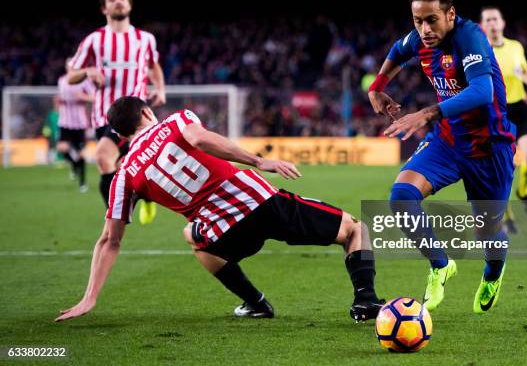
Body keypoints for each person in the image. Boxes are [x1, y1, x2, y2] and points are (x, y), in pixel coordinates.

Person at [55, 97, 383, 323]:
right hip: (261, 203)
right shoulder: (176, 121)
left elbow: (109, 241)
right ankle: (365, 301)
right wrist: (258, 160)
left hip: (223, 231)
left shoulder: (123, 175)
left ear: (120, 134)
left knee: (192, 235)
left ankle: (256, 304)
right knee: (354, 229)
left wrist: (90, 297)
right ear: (145, 114)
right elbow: (200, 139)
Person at [368, 0, 515, 314]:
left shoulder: (469, 37)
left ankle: (493, 273)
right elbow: (397, 50)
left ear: (450, 14)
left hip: (490, 147)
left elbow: (482, 91)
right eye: (417, 20)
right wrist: (377, 87)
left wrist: (426, 113)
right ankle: (440, 264)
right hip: (449, 139)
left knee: (488, 233)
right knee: (401, 197)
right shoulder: (419, 38)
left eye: (431, 20)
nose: (424, 29)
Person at [67, 0, 166, 223]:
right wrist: (89, 71)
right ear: (104, 9)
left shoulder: (145, 39)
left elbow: (153, 67)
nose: (117, 1)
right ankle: (124, 210)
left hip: (137, 113)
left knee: (112, 159)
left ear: (129, 4)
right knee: (112, 161)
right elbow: (71, 76)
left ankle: (120, 215)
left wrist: (160, 89)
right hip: (105, 115)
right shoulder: (93, 40)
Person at [481, 6, 527, 233]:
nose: (492, 23)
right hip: (495, 112)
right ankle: (507, 216)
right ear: (483, 25)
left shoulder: (516, 46)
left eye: (495, 19)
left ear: (502, 23)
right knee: (502, 169)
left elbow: (525, 73)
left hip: (519, 107)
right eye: (487, 20)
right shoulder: (480, 50)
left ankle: (523, 192)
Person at [57, 58, 95, 192]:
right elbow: (60, 97)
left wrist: (83, 97)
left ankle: (82, 182)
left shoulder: (84, 81)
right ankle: (74, 165)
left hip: (79, 123)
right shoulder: (61, 80)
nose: (70, 68)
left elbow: (95, 96)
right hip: (65, 121)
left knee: (82, 154)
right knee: (62, 148)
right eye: (69, 66)